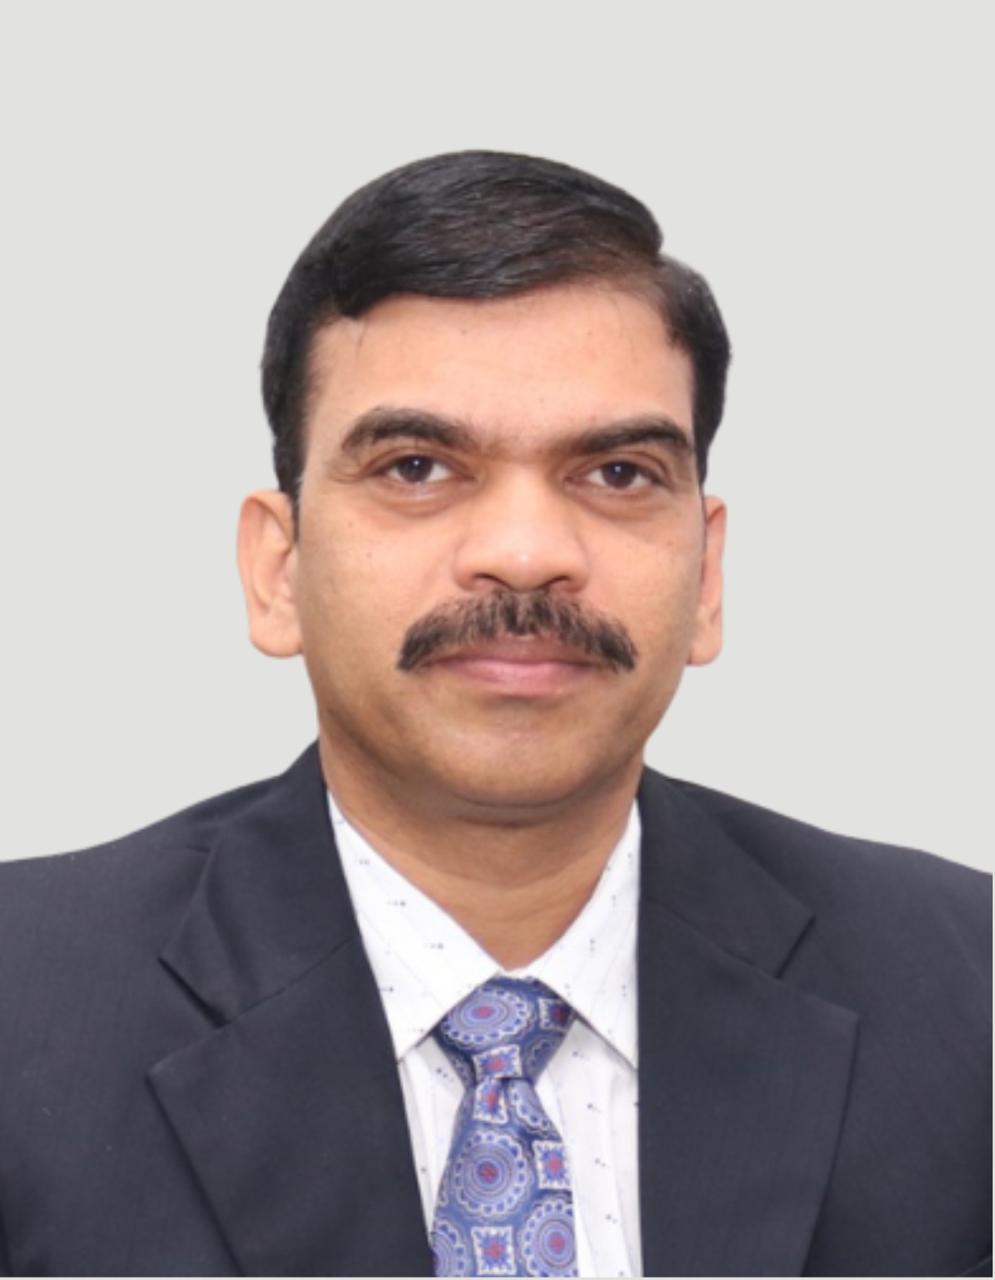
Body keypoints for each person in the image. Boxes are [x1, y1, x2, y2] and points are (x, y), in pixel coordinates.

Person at [0, 151, 989, 1279]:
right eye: (417, 466)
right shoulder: (24, 996)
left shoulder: (968, 988)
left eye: (616, 474)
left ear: (706, 576)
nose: (524, 552)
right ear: (278, 570)